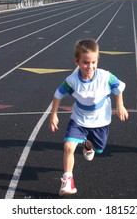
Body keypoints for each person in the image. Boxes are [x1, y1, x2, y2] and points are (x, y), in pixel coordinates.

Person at [49, 39, 129, 197]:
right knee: (68, 147)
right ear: (77, 61)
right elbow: (58, 95)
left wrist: (120, 105)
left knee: (99, 148)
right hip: (79, 119)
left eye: (94, 62)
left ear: (97, 60)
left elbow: (118, 88)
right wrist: (53, 115)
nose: (90, 66)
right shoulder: (72, 81)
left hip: (100, 121)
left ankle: (88, 144)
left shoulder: (105, 77)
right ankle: (67, 179)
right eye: (86, 62)